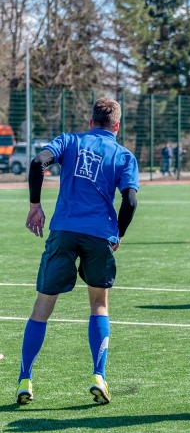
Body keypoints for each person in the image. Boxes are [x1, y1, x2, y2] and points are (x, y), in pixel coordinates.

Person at [17, 97, 139, 406]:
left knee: (42, 307)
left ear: (90, 121)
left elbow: (37, 163)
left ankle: (25, 380)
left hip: (64, 230)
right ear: (117, 126)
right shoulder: (123, 155)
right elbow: (130, 200)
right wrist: (119, 233)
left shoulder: (69, 140)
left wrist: (35, 205)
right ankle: (99, 375)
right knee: (99, 305)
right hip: (99, 235)